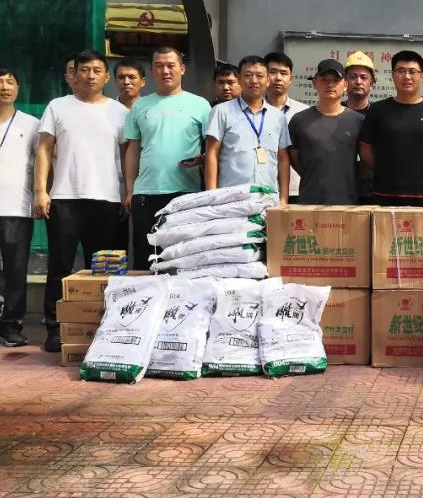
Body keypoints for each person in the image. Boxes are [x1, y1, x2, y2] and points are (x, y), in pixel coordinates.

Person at [35, 50, 129, 352]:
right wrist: (41, 191)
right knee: (60, 267)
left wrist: (128, 191)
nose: (90, 75)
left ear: (106, 77)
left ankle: (104, 327)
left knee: (104, 270)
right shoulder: (57, 106)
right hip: (65, 198)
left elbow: (128, 156)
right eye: (84, 70)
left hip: (108, 199)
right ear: (73, 74)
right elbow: (44, 149)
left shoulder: (119, 112)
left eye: (97, 70)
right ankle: (55, 328)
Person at [122, 46, 211, 269]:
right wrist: (130, 190)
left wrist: (201, 159)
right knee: (146, 260)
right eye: (159, 66)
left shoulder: (200, 105)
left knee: (182, 261)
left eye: (171, 65)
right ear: (152, 71)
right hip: (146, 193)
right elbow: (133, 149)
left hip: (186, 193)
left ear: (182, 69)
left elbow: (211, 149)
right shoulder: (140, 106)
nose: (165, 71)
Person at [359, 50, 423, 207]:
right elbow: (365, 148)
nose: (407, 77)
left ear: (422, 76)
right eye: (400, 71)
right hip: (383, 193)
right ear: (393, 75)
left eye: (412, 72)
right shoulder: (377, 110)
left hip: (422, 195)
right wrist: (382, 170)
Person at [0, 65, 40, 346]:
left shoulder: (31, 124)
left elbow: (44, 163)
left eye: (11, 82)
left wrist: (41, 194)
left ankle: (11, 325)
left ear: (18, 88)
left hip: (16, 208)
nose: (5, 87)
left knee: (16, 269)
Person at [204, 55, 291, 195]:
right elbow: (211, 154)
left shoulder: (278, 117)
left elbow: (283, 159)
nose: (254, 81)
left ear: (268, 80)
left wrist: (283, 198)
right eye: (248, 75)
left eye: (259, 76)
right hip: (231, 197)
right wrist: (211, 195)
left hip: (268, 197)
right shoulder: (221, 111)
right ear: (239, 79)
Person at [280, 59, 362, 204]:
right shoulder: (299, 120)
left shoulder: (358, 121)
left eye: (335, 80)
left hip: (348, 203)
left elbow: (365, 161)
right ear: (314, 83)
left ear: (345, 85)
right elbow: (294, 158)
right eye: (324, 79)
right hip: (309, 201)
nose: (330, 85)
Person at [263, 52, 309, 203]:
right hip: (263, 189)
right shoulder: (253, 112)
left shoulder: (304, 112)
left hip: (297, 189)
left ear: (291, 79)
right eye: (272, 72)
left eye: (283, 73)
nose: (278, 78)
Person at [344, 51, 376, 204]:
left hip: (373, 191)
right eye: (353, 77)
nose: (358, 82)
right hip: (340, 190)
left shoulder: (380, 115)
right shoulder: (333, 113)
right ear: (344, 82)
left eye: (363, 77)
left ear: (372, 83)